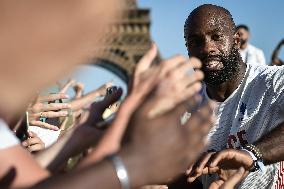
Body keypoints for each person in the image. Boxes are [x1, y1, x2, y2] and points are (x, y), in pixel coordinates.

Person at [183, 4, 284, 189]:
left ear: (236, 41)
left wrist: (252, 155)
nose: (207, 48)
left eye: (216, 37)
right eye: (196, 41)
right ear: (188, 48)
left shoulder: (273, 81)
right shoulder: (184, 110)